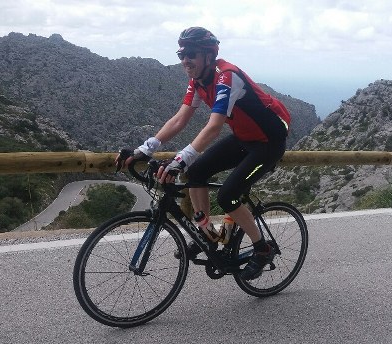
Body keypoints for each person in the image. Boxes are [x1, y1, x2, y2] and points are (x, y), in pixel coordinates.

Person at [116, 26, 291, 280]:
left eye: (192, 54)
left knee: (228, 196)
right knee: (196, 173)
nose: (186, 61)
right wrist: (145, 149)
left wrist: (180, 159)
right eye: (182, 55)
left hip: (269, 143)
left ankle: (262, 249)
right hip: (244, 138)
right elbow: (180, 119)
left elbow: (215, 125)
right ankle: (206, 235)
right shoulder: (198, 81)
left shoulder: (226, 76)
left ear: (209, 56)